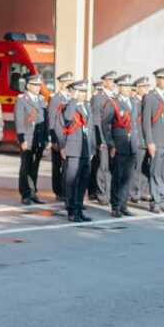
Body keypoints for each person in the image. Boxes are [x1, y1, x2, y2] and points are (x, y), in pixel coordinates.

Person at [100, 74, 136, 217]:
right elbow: (105, 125)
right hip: (119, 145)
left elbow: (136, 124)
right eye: (125, 86)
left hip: (132, 145)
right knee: (118, 177)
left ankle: (123, 204)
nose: (127, 89)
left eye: (129, 86)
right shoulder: (113, 103)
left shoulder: (133, 102)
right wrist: (110, 143)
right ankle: (115, 206)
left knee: (128, 177)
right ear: (119, 87)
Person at [140, 68, 164, 214]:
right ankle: (155, 202)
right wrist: (150, 142)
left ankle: (161, 198)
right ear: (157, 80)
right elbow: (146, 121)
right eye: (162, 78)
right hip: (157, 141)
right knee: (155, 173)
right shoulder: (150, 97)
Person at [60, 80, 94, 222]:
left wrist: (92, 149)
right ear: (75, 92)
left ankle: (79, 208)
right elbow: (68, 118)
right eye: (80, 91)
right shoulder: (69, 107)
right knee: (72, 181)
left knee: (83, 181)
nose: (83, 94)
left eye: (84, 91)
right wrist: (73, 99)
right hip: (74, 149)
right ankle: (72, 210)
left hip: (85, 149)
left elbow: (91, 129)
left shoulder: (87, 106)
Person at [14, 74, 47, 205]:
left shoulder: (41, 100)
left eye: (39, 85)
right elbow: (19, 121)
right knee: (25, 166)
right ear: (28, 86)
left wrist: (45, 138)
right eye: (35, 85)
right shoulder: (22, 100)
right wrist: (22, 139)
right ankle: (25, 194)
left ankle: (33, 192)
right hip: (27, 138)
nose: (38, 87)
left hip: (38, 139)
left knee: (35, 167)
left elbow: (44, 121)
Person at [87, 71, 117, 205]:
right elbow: (95, 121)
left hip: (113, 137)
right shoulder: (99, 98)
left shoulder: (114, 97)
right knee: (102, 166)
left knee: (111, 167)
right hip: (103, 138)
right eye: (110, 81)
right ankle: (102, 193)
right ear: (104, 82)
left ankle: (109, 192)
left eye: (113, 81)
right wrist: (99, 140)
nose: (112, 83)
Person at [47, 72, 74, 201]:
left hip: (70, 138)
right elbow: (51, 120)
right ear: (61, 83)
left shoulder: (71, 99)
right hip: (59, 137)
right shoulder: (55, 99)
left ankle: (66, 191)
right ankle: (59, 191)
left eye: (70, 82)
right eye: (67, 82)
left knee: (67, 167)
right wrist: (53, 139)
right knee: (58, 166)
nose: (69, 85)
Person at [128, 77, 149, 204]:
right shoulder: (134, 101)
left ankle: (143, 190)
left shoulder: (146, 101)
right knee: (136, 168)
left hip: (147, 139)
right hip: (138, 138)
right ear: (138, 88)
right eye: (144, 87)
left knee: (144, 167)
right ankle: (134, 192)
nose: (146, 89)